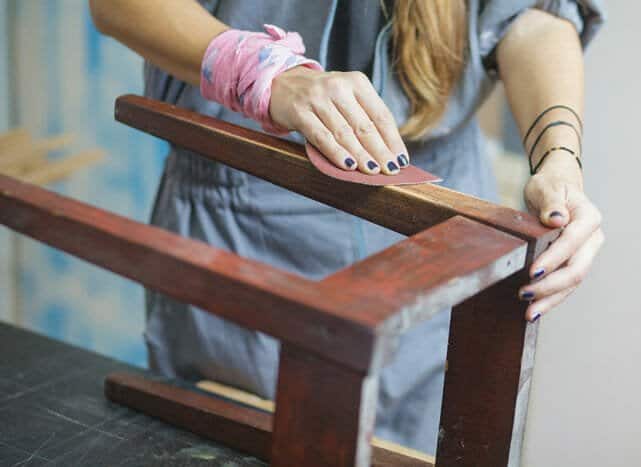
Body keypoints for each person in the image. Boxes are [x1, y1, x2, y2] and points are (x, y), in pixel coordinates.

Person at [89, 0, 606, 455]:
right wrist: (262, 71)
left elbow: (532, 17)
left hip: (443, 224)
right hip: (249, 212)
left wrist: (559, 158)